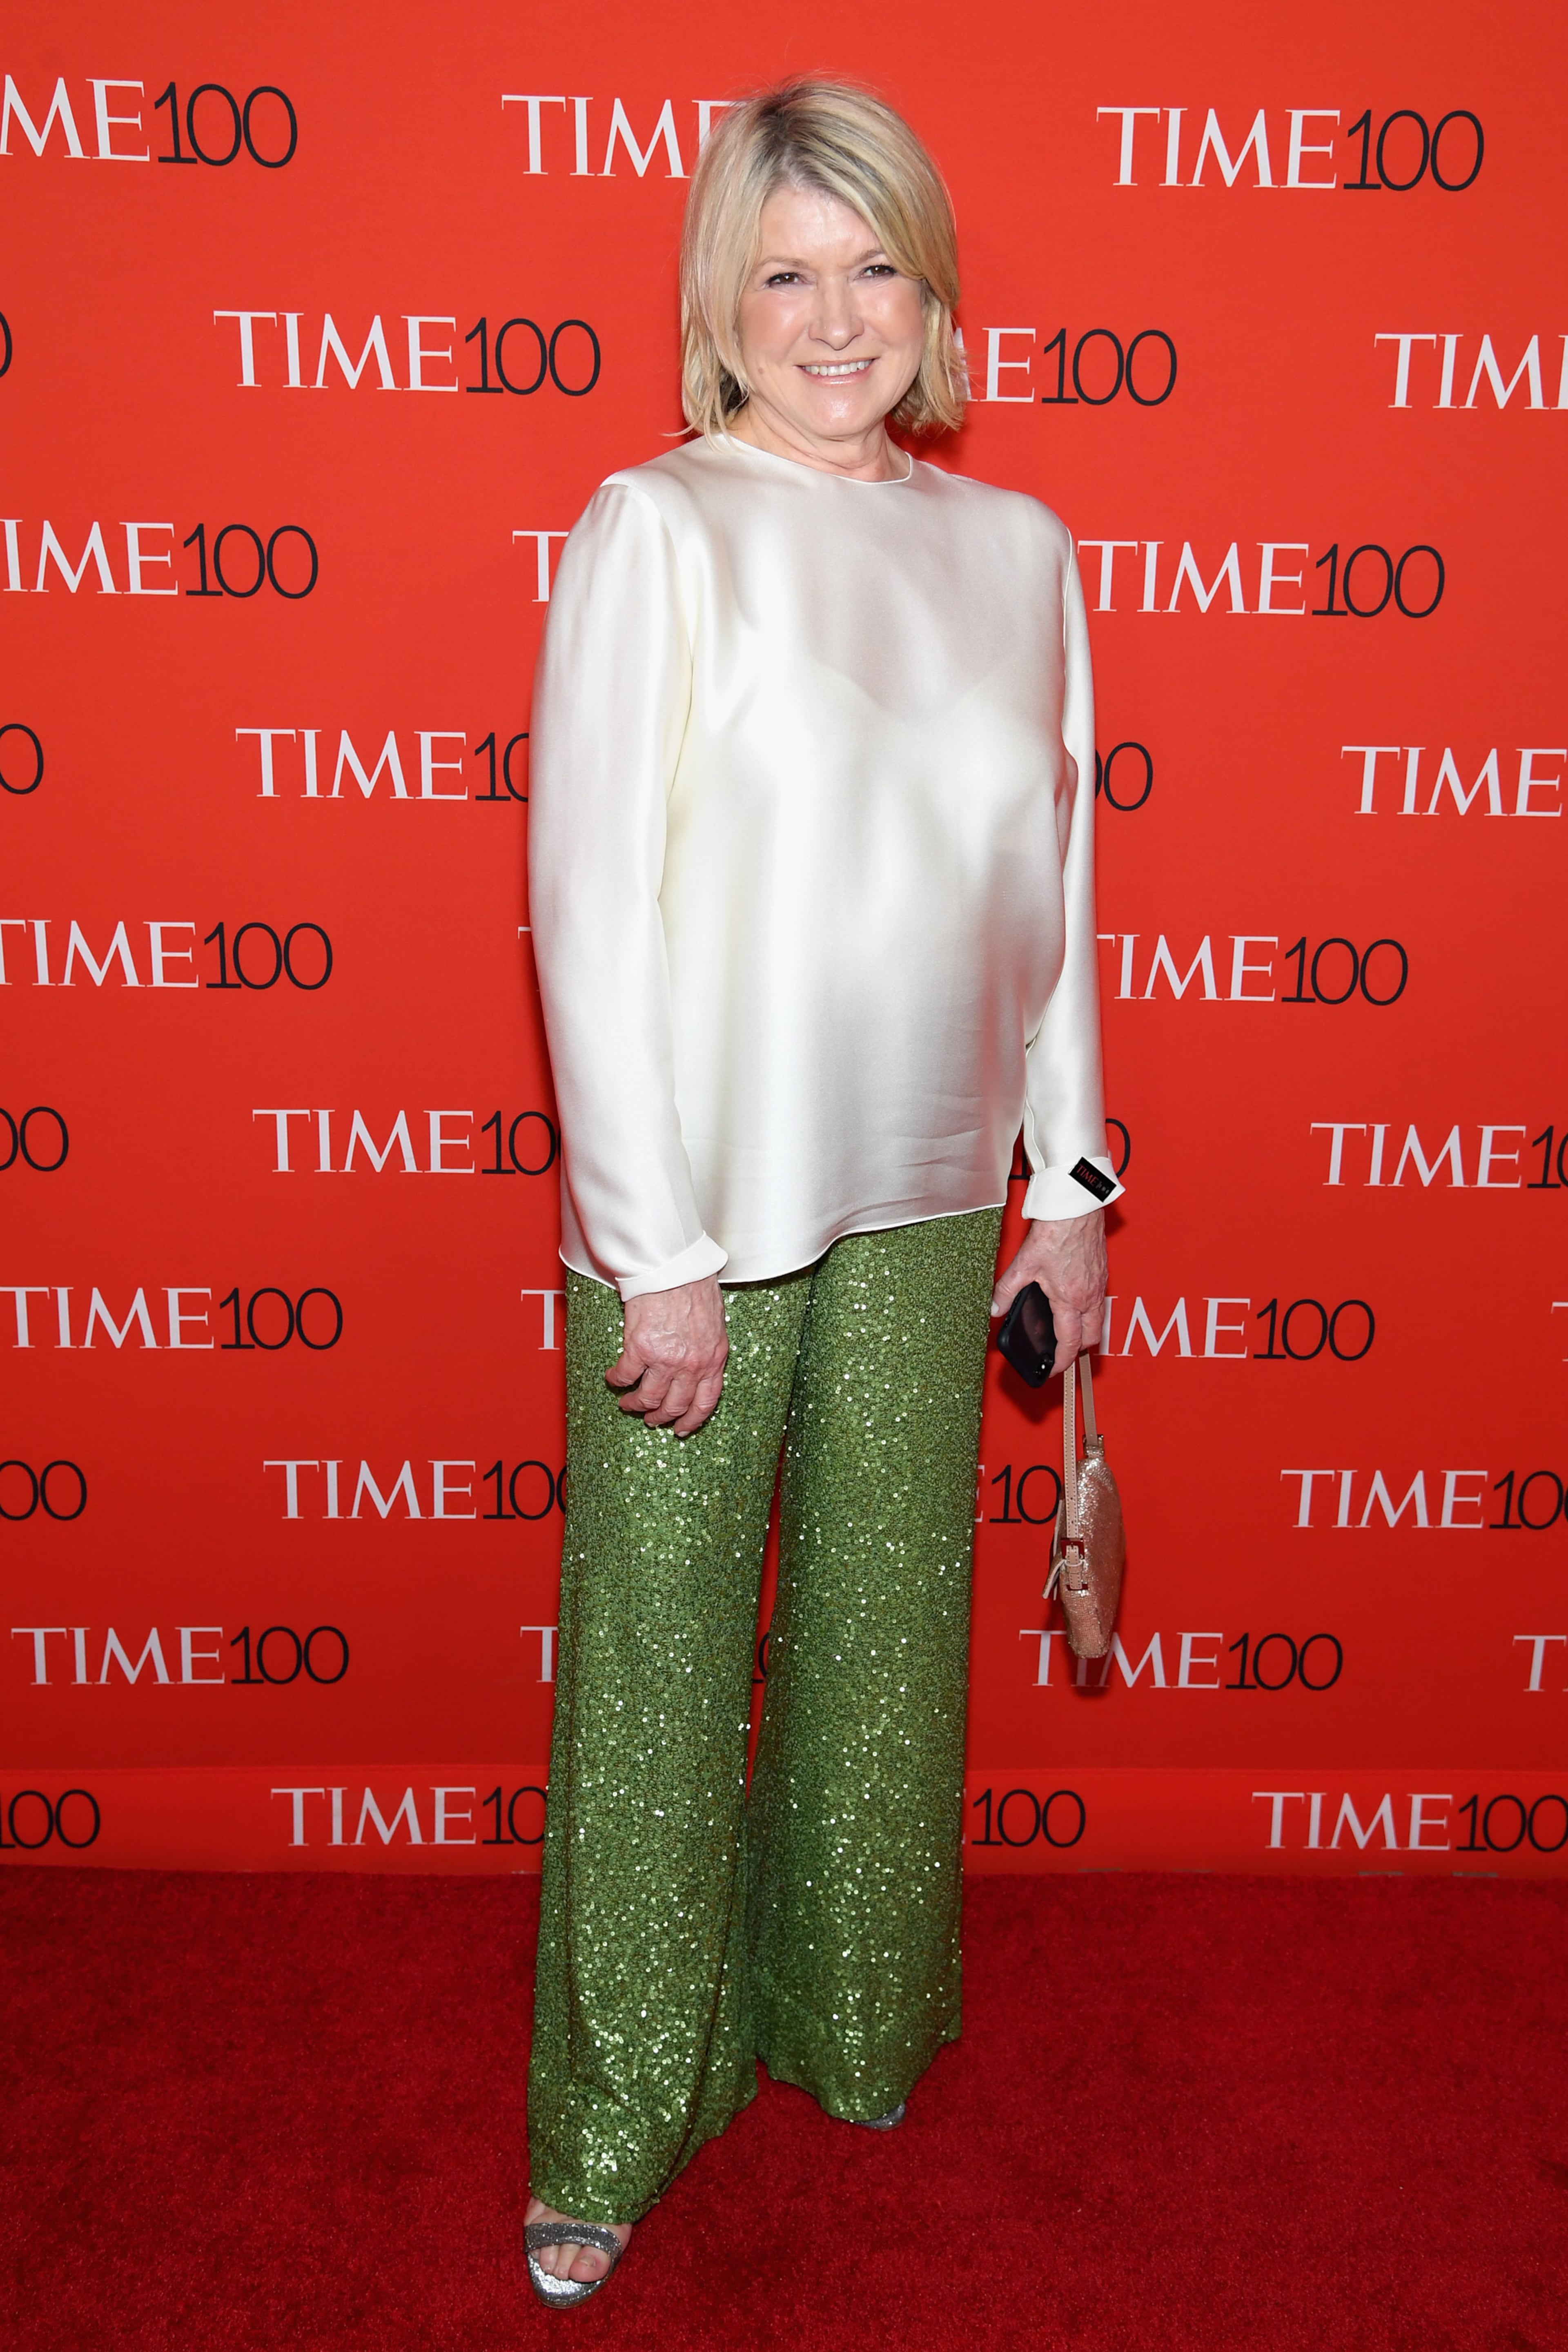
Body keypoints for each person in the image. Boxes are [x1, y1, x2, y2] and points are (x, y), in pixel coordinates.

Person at [521, 78, 1118, 2307]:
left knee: (886, 1664)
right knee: (659, 1688)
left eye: (875, 264)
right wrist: (651, 1254)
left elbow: (1056, 900)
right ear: (722, 302)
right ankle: (605, 2121)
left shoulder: (1023, 552)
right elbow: (586, 909)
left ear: (934, 292)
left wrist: (1068, 1186)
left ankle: (846, 2026)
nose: (836, 315)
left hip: (933, 1196)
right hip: (711, 1211)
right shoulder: (656, 526)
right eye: (787, 270)